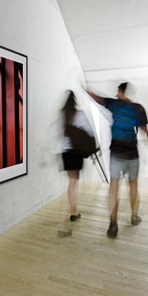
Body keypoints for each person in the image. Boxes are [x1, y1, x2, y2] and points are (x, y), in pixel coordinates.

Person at [87, 82, 148, 238]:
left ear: (120, 91)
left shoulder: (115, 104)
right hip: (132, 153)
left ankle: (113, 223)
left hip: (117, 153)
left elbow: (95, 98)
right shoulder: (138, 109)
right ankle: (134, 215)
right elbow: (145, 133)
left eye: (117, 92)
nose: (115, 94)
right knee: (133, 185)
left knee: (114, 186)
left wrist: (85, 87)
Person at [60, 90, 95, 222]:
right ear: (74, 100)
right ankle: (73, 212)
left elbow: (57, 136)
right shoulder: (79, 114)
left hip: (65, 152)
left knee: (71, 181)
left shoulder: (62, 115)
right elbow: (89, 133)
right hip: (76, 152)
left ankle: (73, 210)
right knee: (74, 182)